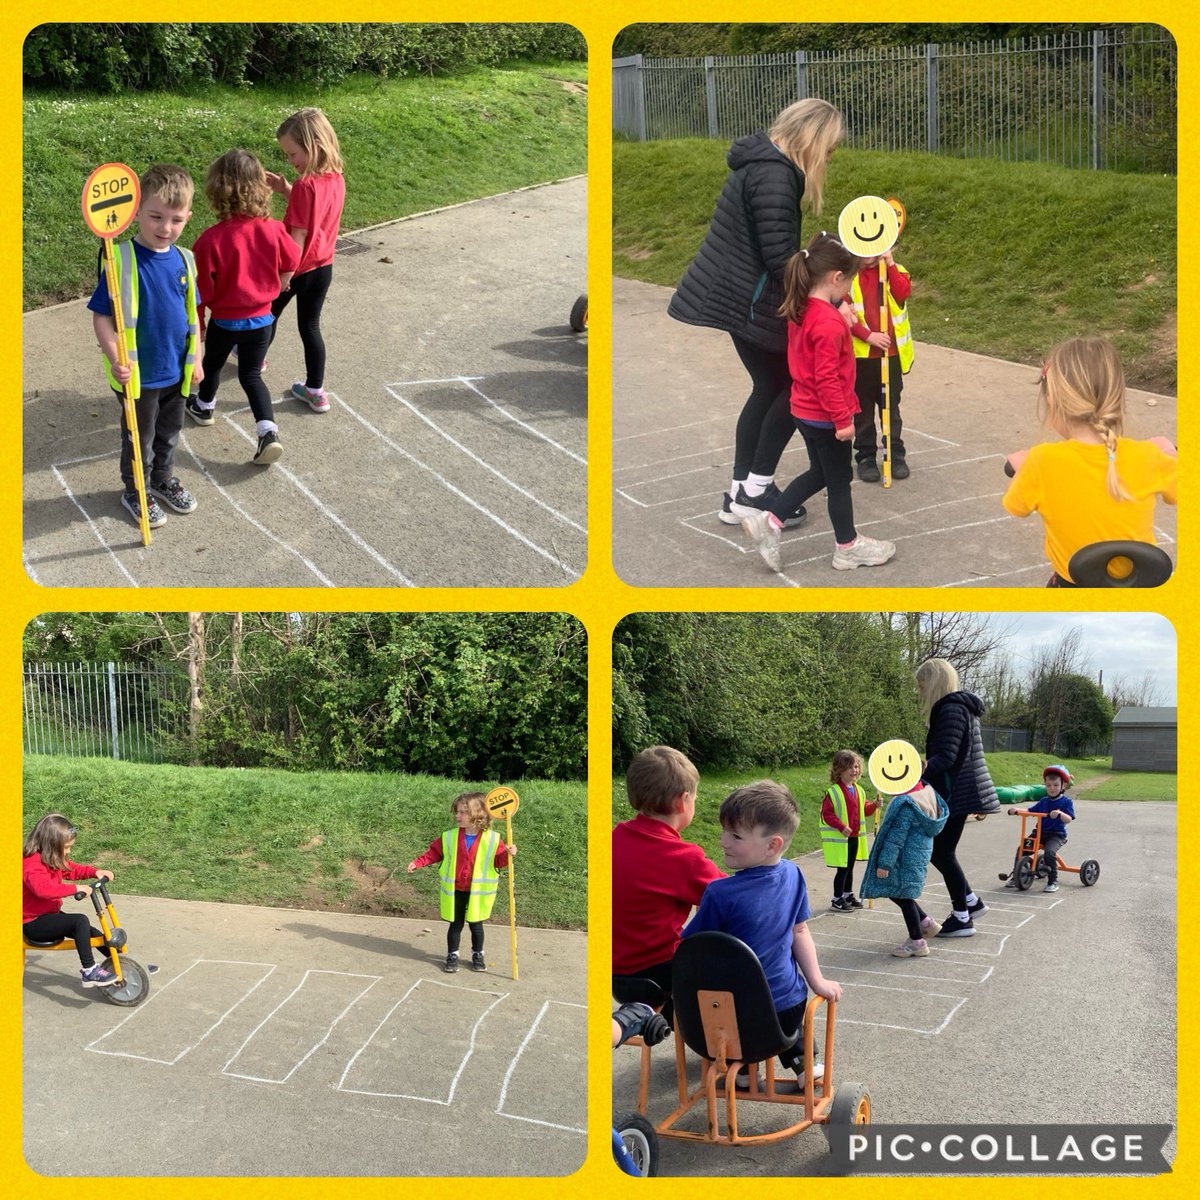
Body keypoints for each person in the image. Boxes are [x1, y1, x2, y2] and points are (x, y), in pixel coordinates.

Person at [667, 98, 844, 528]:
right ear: (813, 137)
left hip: (737, 293)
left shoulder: (762, 161)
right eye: (831, 146)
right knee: (794, 385)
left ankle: (739, 492)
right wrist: (828, 292)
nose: (831, 155)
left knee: (767, 386)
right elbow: (780, 259)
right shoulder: (775, 176)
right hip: (748, 298)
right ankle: (755, 491)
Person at [739, 232, 897, 573]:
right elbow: (826, 377)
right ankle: (847, 547)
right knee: (839, 480)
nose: (850, 290)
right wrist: (843, 420)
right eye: (849, 281)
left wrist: (843, 317)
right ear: (836, 278)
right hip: (826, 417)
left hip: (804, 412)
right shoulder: (827, 323)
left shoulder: (803, 307)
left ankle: (772, 520)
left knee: (821, 473)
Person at [682, 781, 841, 1086]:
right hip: (788, 1009)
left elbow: (695, 949)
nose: (723, 841)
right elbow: (800, 930)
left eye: (736, 836)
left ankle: (739, 1068)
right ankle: (804, 1060)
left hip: (737, 1015)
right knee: (785, 998)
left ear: (773, 844)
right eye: (726, 832)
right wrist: (817, 980)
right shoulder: (794, 874)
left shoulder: (719, 893)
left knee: (713, 1002)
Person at [1002, 337, 1177, 586]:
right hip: (1142, 590)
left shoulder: (1041, 461)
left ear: (1052, 399)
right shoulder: (1148, 456)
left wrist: (1022, 468)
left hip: (1071, 587)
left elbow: (1016, 507)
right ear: (1116, 397)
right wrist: (1169, 455)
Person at [88, 163, 203, 530]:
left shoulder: (185, 259)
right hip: (139, 375)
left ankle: (162, 479)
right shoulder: (119, 259)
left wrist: (197, 355)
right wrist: (114, 356)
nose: (165, 228)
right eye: (155, 217)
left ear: (187, 217)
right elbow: (102, 317)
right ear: (136, 211)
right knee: (140, 438)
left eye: (176, 220)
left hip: (176, 371)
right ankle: (135, 489)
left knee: (169, 433)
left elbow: (193, 314)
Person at [187, 149, 300, 464]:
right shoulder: (274, 229)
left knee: (212, 365)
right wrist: (277, 287)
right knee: (251, 375)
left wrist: (201, 323)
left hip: (225, 321)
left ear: (217, 191)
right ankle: (268, 431)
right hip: (262, 319)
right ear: (260, 188)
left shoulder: (210, 240)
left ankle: (204, 406)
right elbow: (292, 260)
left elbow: (200, 290)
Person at [612, 746, 724, 1015]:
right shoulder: (684, 858)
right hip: (660, 972)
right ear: (682, 800)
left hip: (614, 973)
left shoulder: (613, 838)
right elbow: (728, 898)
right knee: (734, 964)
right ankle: (721, 1044)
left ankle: (661, 1018)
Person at [265, 107, 346, 413]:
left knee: (268, 314)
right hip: (323, 267)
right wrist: (284, 188)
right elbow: (315, 214)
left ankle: (255, 360)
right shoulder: (334, 178)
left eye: (293, 153)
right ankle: (316, 390)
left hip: (296, 269)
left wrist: (285, 275)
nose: (290, 161)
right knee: (310, 327)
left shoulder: (305, 185)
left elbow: (298, 236)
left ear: (314, 144)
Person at [916, 658, 1000, 937]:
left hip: (956, 792)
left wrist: (919, 768)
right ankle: (971, 903)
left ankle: (962, 917)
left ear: (934, 682)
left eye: (921, 685)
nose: (920, 692)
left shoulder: (950, 709)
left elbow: (947, 758)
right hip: (964, 790)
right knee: (941, 851)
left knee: (941, 852)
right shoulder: (962, 708)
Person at [408, 792, 515, 973]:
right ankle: (453, 954)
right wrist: (417, 863)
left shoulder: (493, 839)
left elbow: (498, 862)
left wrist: (507, 854)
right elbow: (434, 853)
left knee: (476, 925)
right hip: (456, 889)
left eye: (462, 813)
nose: (458, 816)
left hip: (478, 891)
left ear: (477, 814)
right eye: (457, 812)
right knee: (455, 924)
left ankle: (478, 954)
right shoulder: (449, 837)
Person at [23, 814, 118, 988]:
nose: (68, 851)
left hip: (48, 915)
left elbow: (70, 869)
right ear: (51, 844)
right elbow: (43, 890)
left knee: (92, 932)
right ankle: (89, 971)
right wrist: (75, 888)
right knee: (79, 921)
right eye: (66, 847)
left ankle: (122, 962)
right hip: (33, 923)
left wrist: (95, 872)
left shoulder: (50, 857)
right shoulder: (31, 864)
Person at [844, 248, 914, 482]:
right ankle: (865, 456)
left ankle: (894, 453)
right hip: (862, 358)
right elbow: (844, 312)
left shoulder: (896, 270)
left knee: (890, 408)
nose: (868, 254)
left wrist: (890, 263)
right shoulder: (848, 276)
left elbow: (902, 293)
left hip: (890, 356)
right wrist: (868, 335)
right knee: (862, 410)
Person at [860, 780, 948, 957]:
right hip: (916, 856)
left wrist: (884, 864)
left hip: (903, 859)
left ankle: (917, 942)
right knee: (902, 892)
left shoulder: (907, 806)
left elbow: (895, 839)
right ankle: (926, 922)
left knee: (902, 895)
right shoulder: (926, 796)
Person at [819, 749, 879, 911]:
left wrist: (874, 805)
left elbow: (865, 810)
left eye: (857, 767)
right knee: (843, 869)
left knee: (850, 868)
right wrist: (841, 826)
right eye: (851, 767)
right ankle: (837, 899)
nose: (855, 770)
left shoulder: (859, 790)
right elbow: (827, 814)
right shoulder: (833, 792)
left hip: (854, 837)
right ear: (839, 770)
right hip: (842, 839)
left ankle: (847, 894)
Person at [1001, 765, 1076, 892]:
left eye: (1056, 785)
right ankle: (1017, 876)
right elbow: (1029, 810)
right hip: (1039, 833)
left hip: (1056, 835)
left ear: (1063, 786)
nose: (1052, 788)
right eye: (1048, 785)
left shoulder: (1066, 802)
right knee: (1022, 849)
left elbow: (1069, 818)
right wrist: (1017, 810)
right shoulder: (1044, 801)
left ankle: (1053, 881)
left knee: (1049, 853)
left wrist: (1060, 814)